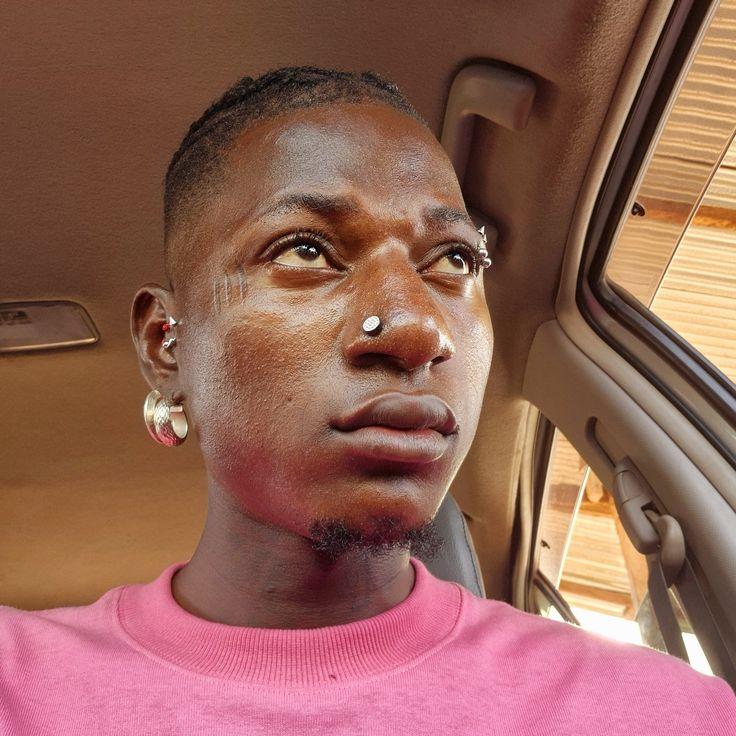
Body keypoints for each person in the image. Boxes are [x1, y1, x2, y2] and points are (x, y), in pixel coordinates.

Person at [0, 65, 734, 735]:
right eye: (306, 250)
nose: (417, 329)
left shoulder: (662, 714)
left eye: (453, 260)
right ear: (167, 344)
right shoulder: (19, 686)